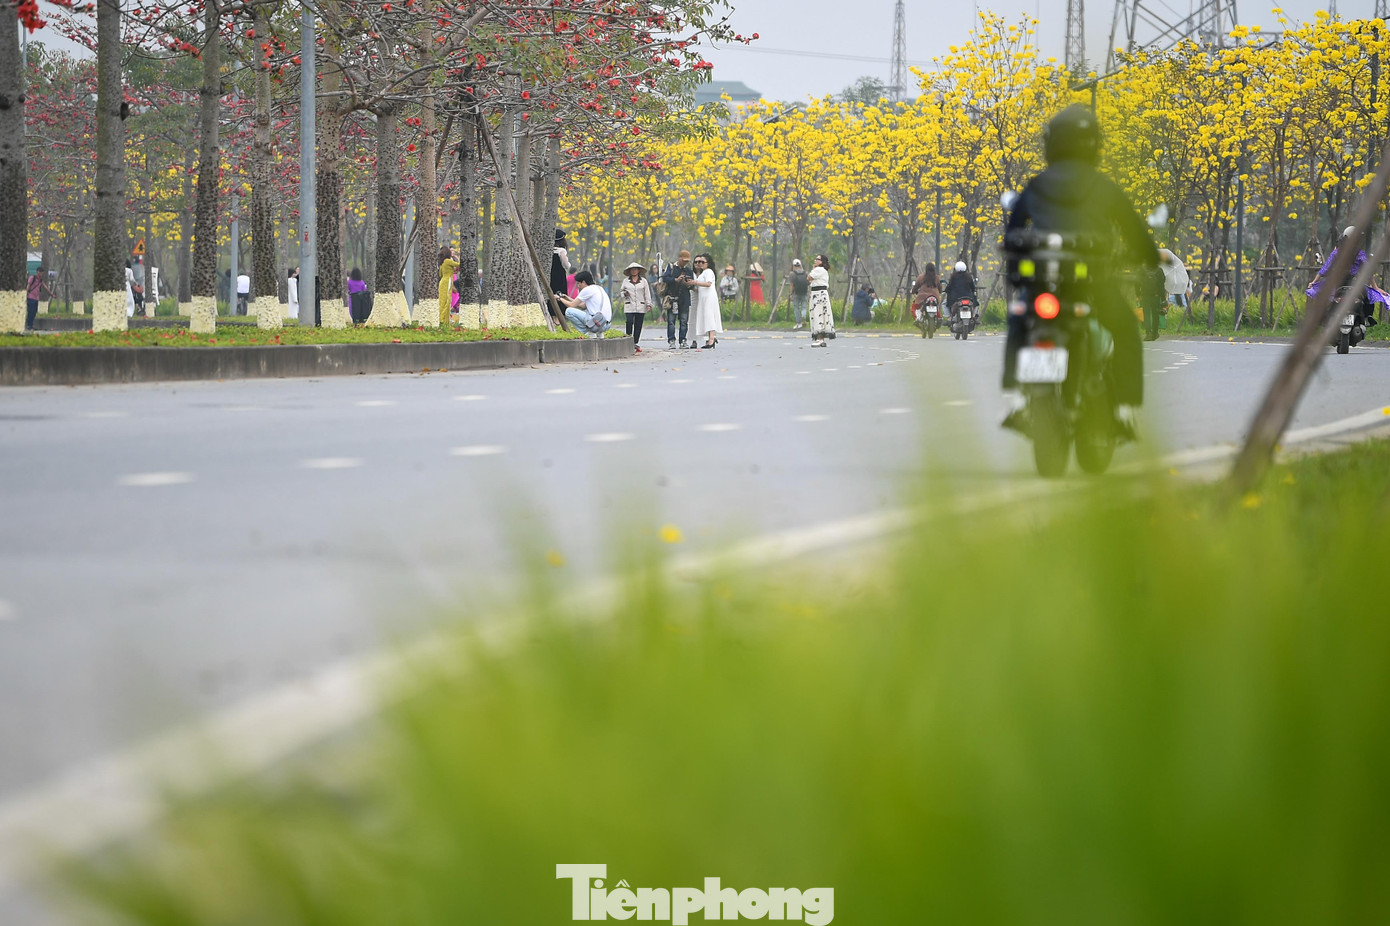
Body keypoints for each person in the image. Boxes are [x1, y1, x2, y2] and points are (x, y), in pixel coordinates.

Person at [1003, 104, 1159, 436]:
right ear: (1094, 144)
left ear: (1051, 143)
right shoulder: (1103, 186)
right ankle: (1124, 409)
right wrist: (1147, 255)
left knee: (1019, 317)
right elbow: (1135, 232)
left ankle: (1015, 399)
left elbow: (1012, 231)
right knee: (1125, 329)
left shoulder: (1037, 186)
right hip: (1092, 283)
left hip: (1044, 283)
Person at [1306, 225, 1390, 324]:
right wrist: (1375, 287)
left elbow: (1325, 269)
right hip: (1354, 283)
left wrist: (1313, 282)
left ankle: (1321, 318)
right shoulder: (1360, 254)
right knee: (1368, 298)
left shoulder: (1336, 253)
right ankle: (1368, 316)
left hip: (1337, 283)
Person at [558, 269, 612, 337]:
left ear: (583, 282)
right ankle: (598, 333)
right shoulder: (598, 288)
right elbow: (582, 306)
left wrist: (559, 298)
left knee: (569, 311)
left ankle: (589, 332)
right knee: (586, 311)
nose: (578, 286)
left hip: (597, 323)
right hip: (605, 324)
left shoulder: (587, 289)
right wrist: (567, 298)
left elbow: (572, 305)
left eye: (578, 283)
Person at [687, 253, 722, 349]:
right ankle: (710, 339)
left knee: (709, 317)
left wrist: (695, 282)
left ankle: (711, 339)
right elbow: (699, 288)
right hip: (703, 298)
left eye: (703, 262)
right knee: (706, 317)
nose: (700, 264)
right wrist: (691, 285)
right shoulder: (703, 273)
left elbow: (708, 284)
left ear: (708, 263)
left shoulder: (709, 271)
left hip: (709, 298)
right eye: (699, 262)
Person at [661, 250, 695, 349]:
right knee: (671, 321)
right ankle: (671, 340)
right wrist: (675, 280)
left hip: (684, 299)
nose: (685, 263)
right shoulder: (671, 267)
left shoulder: (689, 270)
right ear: (679, 258)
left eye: (687, 261)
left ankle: (683, 340)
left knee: (684, 321)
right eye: (684, 261)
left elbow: (692, 286)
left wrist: (688, 283)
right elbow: (665, 278)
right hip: (672, 298)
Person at [620, 262, 654, 352]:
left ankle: (635, 342)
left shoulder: (644, 281)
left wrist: (649, 304)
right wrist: (624, 294)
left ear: (638, 271)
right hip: (629, 305)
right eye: (632, 269)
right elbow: (621, 292)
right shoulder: (625, 281)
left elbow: (647, 293)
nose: (634, 271)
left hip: (640, 306)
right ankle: (628, 339)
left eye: (635, 269)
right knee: (629, 322)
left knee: (638, 325)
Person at [808, 254, 834, 347]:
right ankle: (820, 338)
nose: (815, 260)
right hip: (821, 294)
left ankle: (819, 338)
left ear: (821, 261)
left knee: (817, 314)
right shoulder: (824, 271)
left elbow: (809, 278)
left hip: (818, 295)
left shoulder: (819, 270)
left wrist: (813, 268)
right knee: (822, 315)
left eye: (817, 259)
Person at [439, 246, 459, 326]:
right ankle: (442, 319)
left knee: (442, 301)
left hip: (442, 282)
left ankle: (444, 320)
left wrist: (451, 271)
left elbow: (441, 274)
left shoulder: (442, 262)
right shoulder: (448, 261)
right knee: (447, 301)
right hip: (448, 282)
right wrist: (457, 257)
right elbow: (458, 264)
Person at [787, 258, 810, 329]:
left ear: (793, 265)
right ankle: (803, 315)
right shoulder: (805, 273)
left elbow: (791, 285)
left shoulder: (792, 274)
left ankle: (799, 323)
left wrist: (791, 294)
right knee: (804, 307)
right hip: (804, 293)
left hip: (796, 293)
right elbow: (808, 283)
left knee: (796, 308)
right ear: (800, 265)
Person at [25, 263, 48, 330]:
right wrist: (26, 294)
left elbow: (45, 287)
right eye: (39, 272)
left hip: (36, 298)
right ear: (37, 271)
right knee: (30, 312)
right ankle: (29, 326)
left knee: (34, 312)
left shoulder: (40, 280)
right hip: (30, 297)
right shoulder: (32, 278)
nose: (40, 273)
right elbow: (28, 286)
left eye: (42, 272)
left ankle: (31, 325)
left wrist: (51, 294)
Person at [551, 230, 571, 297]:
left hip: (550, 274)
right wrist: (569, 264)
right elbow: (566, 265)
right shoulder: (561, 251)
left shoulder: (549, 250)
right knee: (560, 294)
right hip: (559, 275)